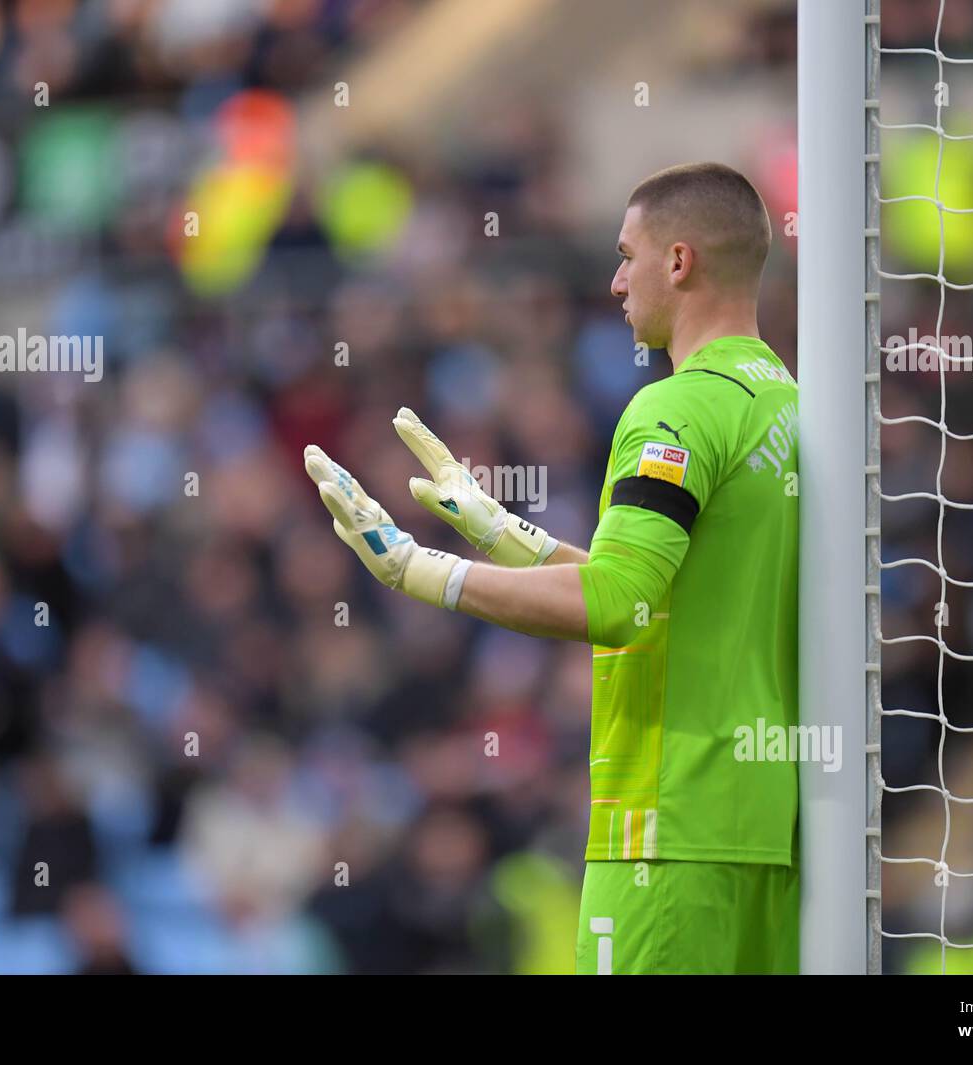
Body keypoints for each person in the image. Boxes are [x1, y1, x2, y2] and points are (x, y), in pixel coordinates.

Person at [305, 162, 799, 974]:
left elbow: (615, 601)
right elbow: (667, 596)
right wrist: (502, 533)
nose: (614, 281)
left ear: (678, 263)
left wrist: (416, 570)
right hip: (762, 826)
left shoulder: (676, 406)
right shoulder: (784, 403)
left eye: (626, 255)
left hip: (665, 822)